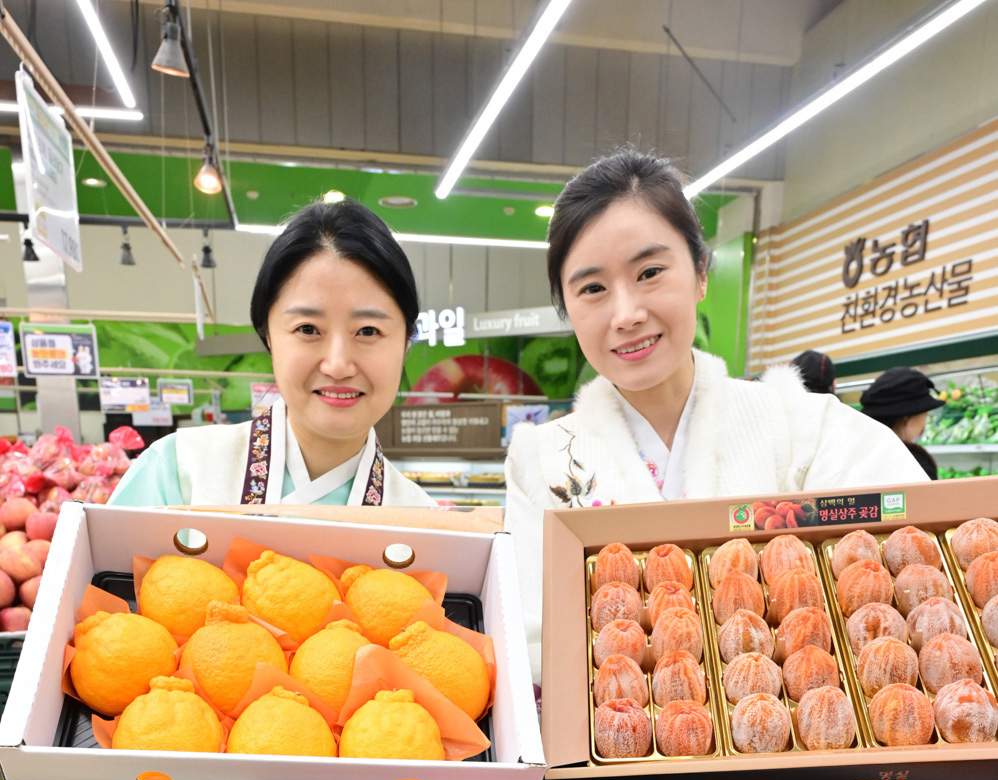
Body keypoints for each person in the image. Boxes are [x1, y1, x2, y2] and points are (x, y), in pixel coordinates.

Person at [505, 149, 927, 684]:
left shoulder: (801, 426)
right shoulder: (540, 460)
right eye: (592, 289)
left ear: (701, 274)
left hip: (803, 750)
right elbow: (531, 640)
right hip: (617, 754)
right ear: (566, 308)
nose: (626, 313)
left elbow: (907, 559)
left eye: (650, 271)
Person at [110, 199, 432, 510]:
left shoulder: (426, 525)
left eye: (368, 331)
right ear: (269, 336)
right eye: (308, 329)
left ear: (405, 343)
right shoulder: (178, 475)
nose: (337, 365)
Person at [859, 367, 943, 480]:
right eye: (924, 415)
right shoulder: (915, 465)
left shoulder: (861, 455)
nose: (925, 422)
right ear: (906, 419)